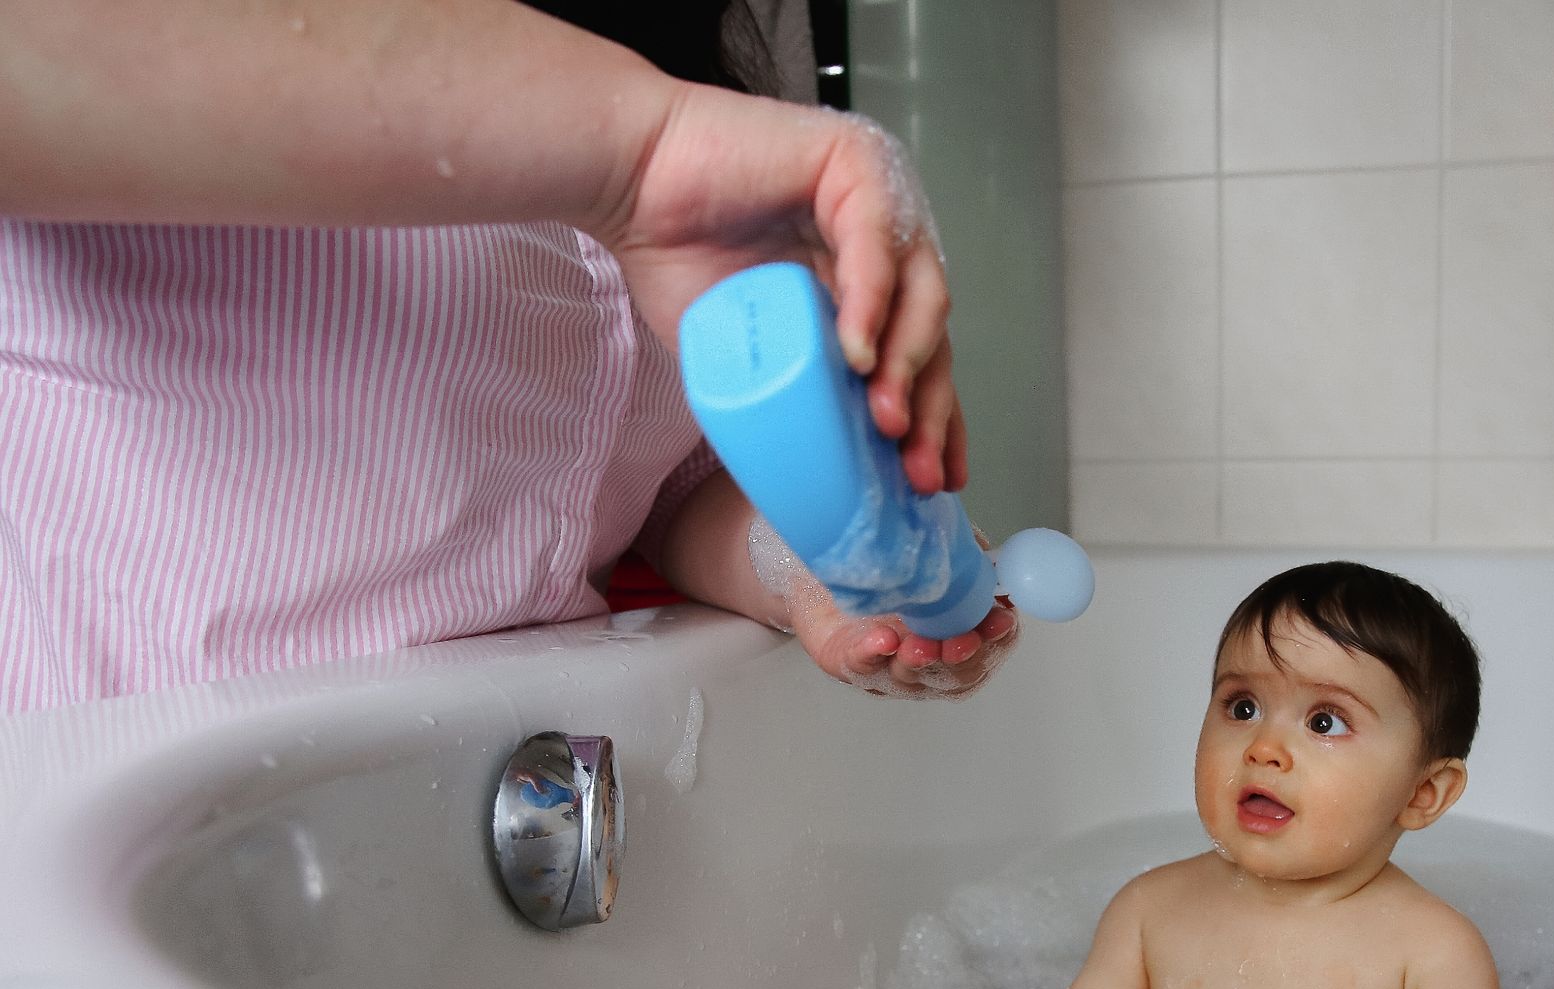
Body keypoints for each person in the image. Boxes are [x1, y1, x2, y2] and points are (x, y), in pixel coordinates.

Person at [0, 0, 1014, 714]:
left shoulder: (682, 70)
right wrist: (641, 151)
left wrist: (812, 558)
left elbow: (654, 484)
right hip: (132, 831)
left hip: (500, 815)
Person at [968, 562, 1505, 989]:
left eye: (1323, 721)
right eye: (1242, 706)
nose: (1264, 748)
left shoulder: (1437, 956)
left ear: (1423, 792)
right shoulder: (1151, 908)